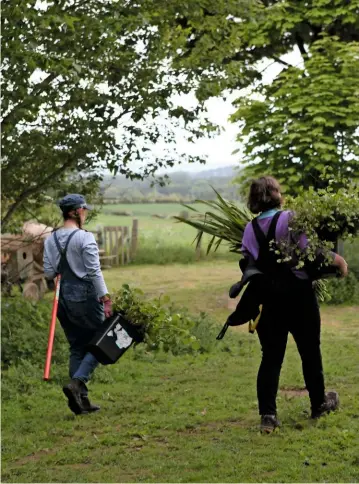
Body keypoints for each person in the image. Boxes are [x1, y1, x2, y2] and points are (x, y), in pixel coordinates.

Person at [241, 176, 348, 433]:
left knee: (271, 358)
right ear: (275, 194)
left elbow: (247, 263)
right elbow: (310, 250)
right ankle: (318, 404)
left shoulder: (249, 229)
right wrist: (338, 261)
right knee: (310, 351)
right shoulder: (290, 218)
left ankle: (268, 416)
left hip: (268, 299)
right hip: (298, 297)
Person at [44, 194, 113, 415]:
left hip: (62, 299)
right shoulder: (85, 237)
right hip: (85, 299)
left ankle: (81, 402)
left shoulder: (50, 239)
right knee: (100, 343)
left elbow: (48, 272)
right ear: (75, 212)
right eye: (84, 209)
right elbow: (94, 271)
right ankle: (78, 383)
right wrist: (106, 298)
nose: (85, 213)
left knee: (77, 347)